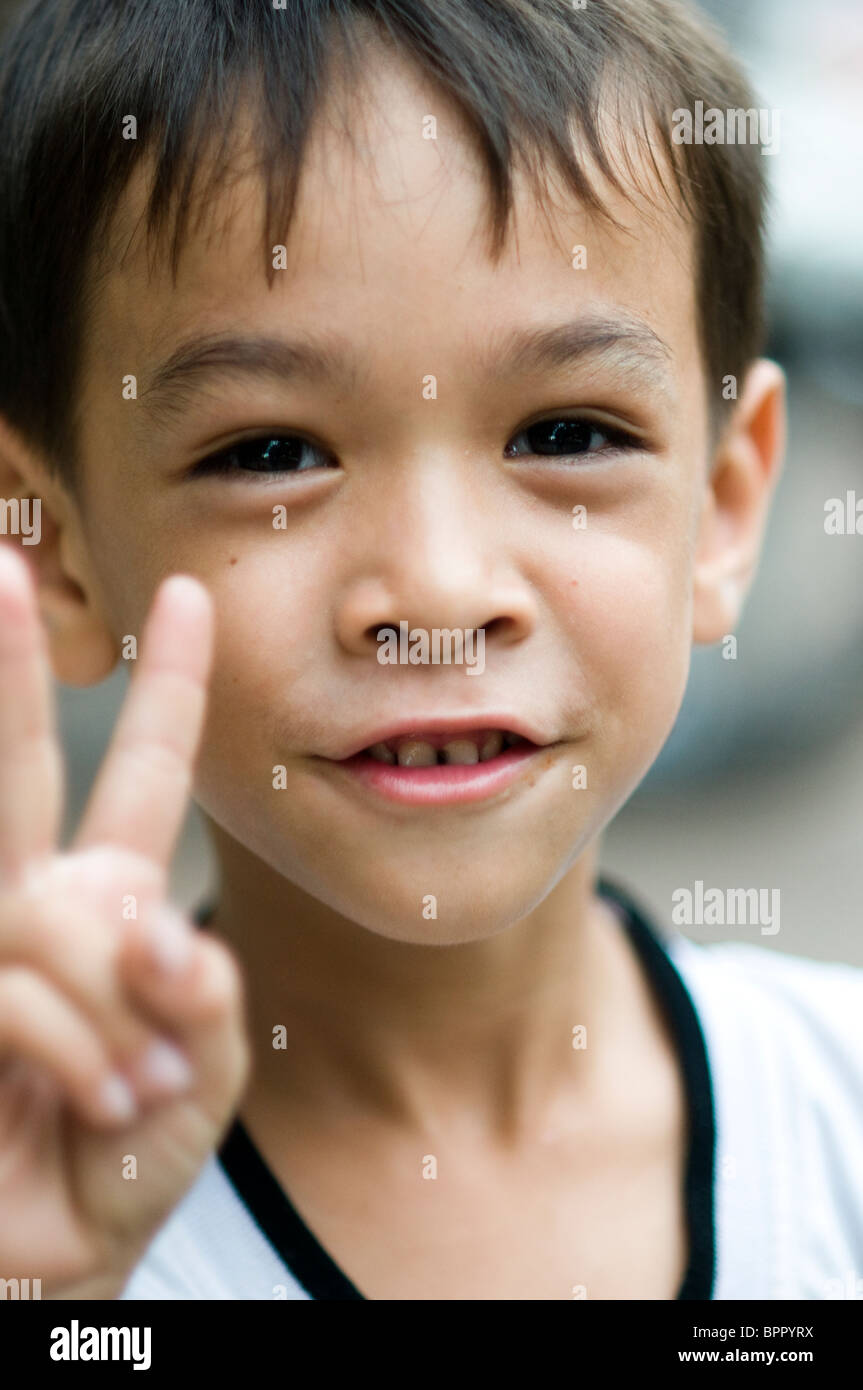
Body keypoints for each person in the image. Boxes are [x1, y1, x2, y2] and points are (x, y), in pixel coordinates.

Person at [0, 0, 859, 1302]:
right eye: (272, 454)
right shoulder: (50, 1206)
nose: (438, 591)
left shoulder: (838, 1120)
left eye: (567, 435)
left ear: (725, 507)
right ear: (54, 550)